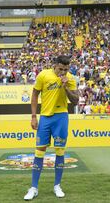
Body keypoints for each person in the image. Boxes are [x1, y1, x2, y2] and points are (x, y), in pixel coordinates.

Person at [24, 55, 79, 200]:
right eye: (61, 69)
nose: (63, 72)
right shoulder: (43, 75)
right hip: (45, 117)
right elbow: (35, 95)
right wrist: (34, 116)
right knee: (39, 151)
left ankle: (57, 186)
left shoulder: (70, 78)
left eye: (66, 70)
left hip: (61, 117)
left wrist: (66, 87)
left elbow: (76, 101)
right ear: (55, 65)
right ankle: (34, 188)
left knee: (60, 151)